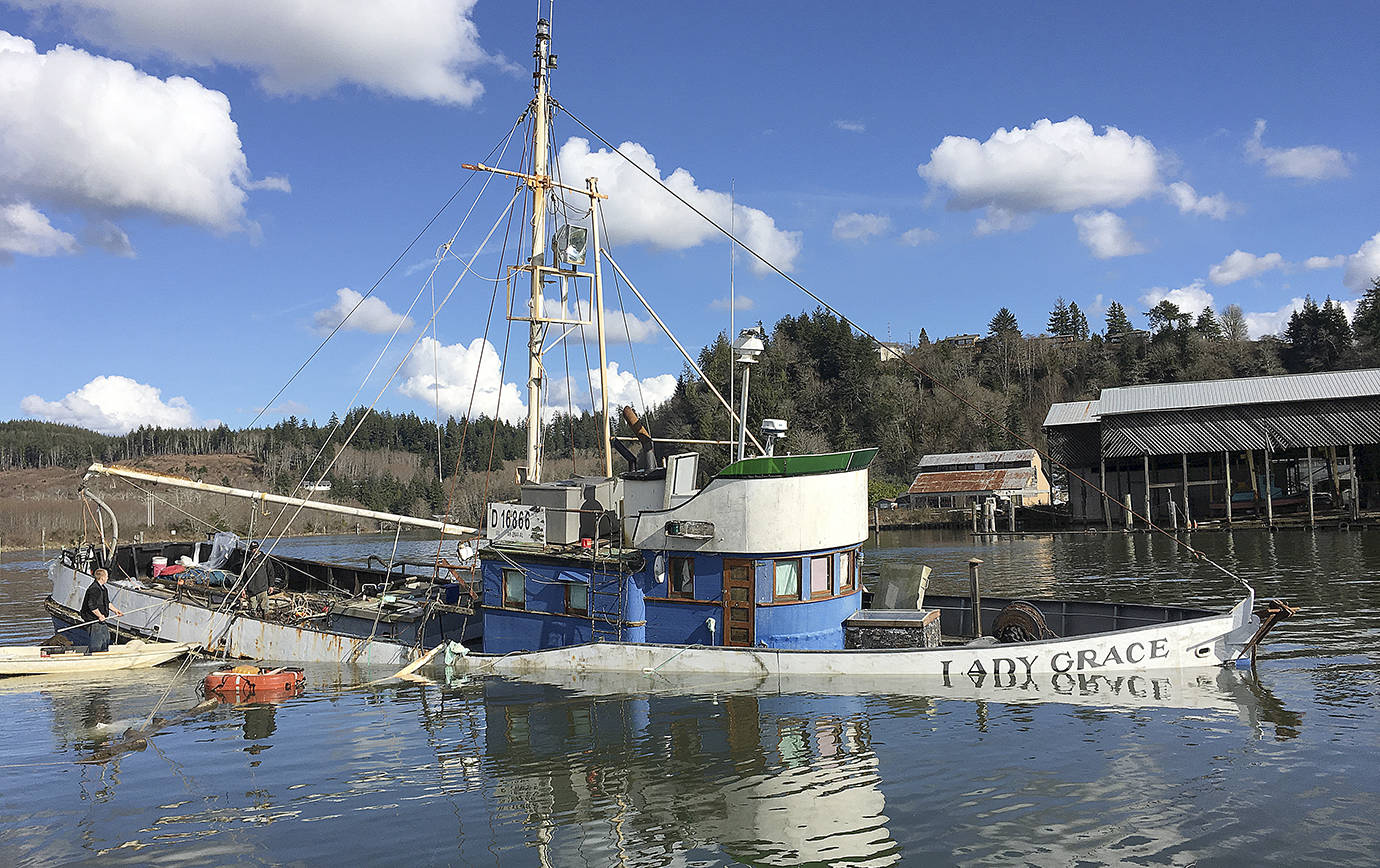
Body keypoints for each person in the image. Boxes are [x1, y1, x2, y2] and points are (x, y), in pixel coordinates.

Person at [80, 568, 123, 653]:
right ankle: (95, 655)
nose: (108, 578)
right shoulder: (94, 589)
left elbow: (107, 602)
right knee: (97, 640)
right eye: (107, 576)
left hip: (101, 619)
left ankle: (104, 653)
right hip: (93, 619)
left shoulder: (103, 589)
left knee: (106, 637)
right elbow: (91, 605)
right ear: (102, 577)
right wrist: (99, 615)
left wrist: (116, 610)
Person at [241, 542, 272, 618]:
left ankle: (266, 620)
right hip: (251, 589)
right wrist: (243, 589)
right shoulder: (247, 560)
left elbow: (270, 572)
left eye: (256, 548)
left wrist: (271, 585)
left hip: (262, 587)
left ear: (258, 548)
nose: (254, 550)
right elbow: (244, 576)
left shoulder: (264, 558)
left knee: (265, 608)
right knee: (252, 608)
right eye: (252, 549)